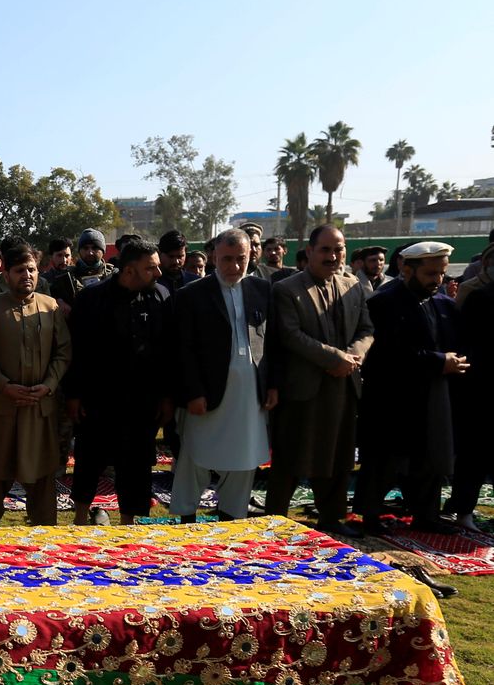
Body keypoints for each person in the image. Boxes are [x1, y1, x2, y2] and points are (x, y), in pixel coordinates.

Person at [264, 224, 374, 537]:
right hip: (304, 388)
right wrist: (333, 359)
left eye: (338, 249)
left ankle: (331, 518)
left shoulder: (352, 285)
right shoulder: (287, 289)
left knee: (339, 455)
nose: (332, 256)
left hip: (344, 384)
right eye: (325, 249)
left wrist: (352, 358)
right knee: (290, 457)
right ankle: (274, 520)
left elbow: (367, 330)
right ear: (310, 252)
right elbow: (290, 335)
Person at [354, 242, 466, 533]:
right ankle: (371, 515)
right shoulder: (384, 303)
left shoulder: (443, 303)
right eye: (430, 273)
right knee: (385, 459)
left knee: (429, 458)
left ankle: (426, 515)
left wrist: (453, 361)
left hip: (432, 396)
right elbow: (389, 353)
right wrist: (440, 361)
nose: (437, 280)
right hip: (392, 397)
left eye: (441, 273)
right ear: (406, 268)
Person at [169, 229, 275, 522]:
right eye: (227, 259)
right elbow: (183, 350)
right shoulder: (191, 295)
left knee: (243, 461)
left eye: (240, 259)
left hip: (249, 395)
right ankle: (186, 519)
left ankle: (231, 517)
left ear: (250, 256)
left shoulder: (262, 290)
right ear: (214, 257)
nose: (234, 266)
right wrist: (192, 392)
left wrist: (272, 385)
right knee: (195, 458)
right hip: (207, 395)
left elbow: (272, 343)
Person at [64, 239, 171, 526]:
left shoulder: (160, 296)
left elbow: (167, 352)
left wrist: (166, 396)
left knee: (135, 465)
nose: (158, 274)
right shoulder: (91, 298)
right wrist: (73, 395)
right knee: (89, 460)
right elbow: (75, 350)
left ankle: (128, 522)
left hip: (142, 401)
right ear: (128, 271)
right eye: (151, 268)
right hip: (98, 399)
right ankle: (79, 518)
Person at [0, 241, 70, 527]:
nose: (26, 275)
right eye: (19, 270)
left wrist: (49, 385)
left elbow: (63, 352)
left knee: (42, 477)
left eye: (31, 270)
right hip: (2, 407)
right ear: (6, 275)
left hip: (40, 408)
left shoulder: (50, 307)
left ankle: (45, 542)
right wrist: (4, 385)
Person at [447, 242, 494, 531]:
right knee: (474, 454)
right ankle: (463, 510)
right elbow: (466, 343)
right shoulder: (480, 298)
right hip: (481, 389)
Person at [42, 237, 81, 313]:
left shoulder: (79, 274)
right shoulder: (44, 280)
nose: (64, 260)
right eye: (59, 255)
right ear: (51, 257)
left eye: (67, 256)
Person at [156, 229, 198, 296]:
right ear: (160, 254)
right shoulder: (151, 284)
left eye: (180, 256)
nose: (176, 261)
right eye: (171, 256)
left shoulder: (196, 283)